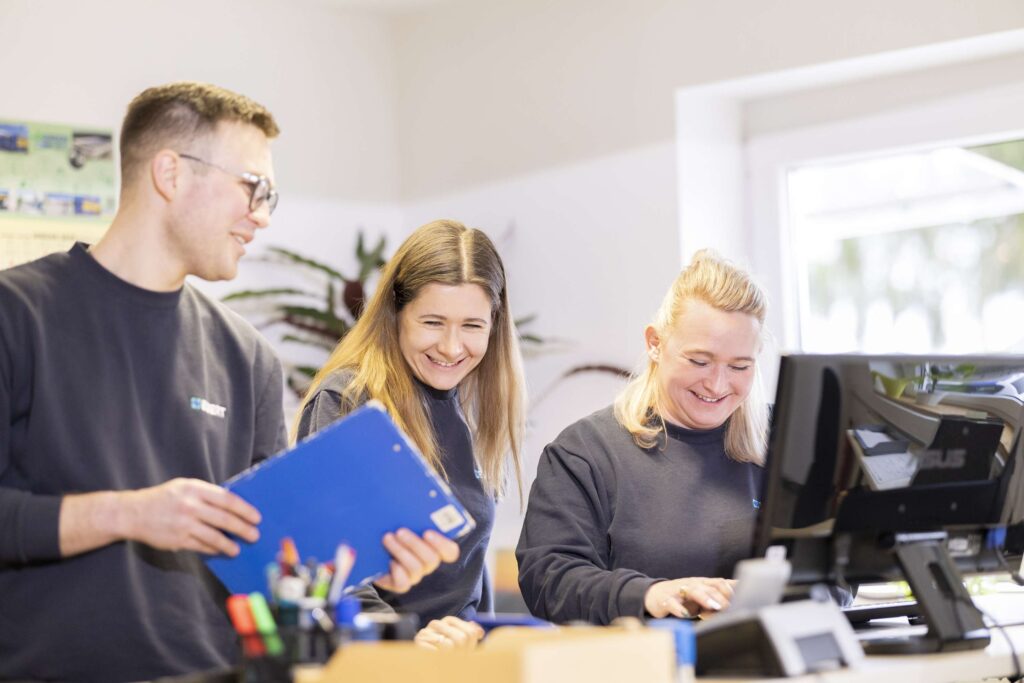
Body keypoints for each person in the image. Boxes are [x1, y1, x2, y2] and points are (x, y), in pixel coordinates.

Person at [0, 82, 456, 682]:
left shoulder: (246, 357)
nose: (262, 215)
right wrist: (125, 515)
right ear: (170, 173)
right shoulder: (17, 314)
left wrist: (363, 560)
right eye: (253, 187)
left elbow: (270, 559)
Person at [295, 219, 527, 650]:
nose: (452, 347)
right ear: (395, 314)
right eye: (433, 322)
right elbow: (329, 562)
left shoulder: (472, 406)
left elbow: (469, 574)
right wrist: (405, 641)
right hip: (385, 660)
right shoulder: (348, 400)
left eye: (472, 326)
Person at [516, 249, 769, 625]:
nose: (717, 384)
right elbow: (548, 579)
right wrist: (651, 594)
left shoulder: (780, 445)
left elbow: (835, 572)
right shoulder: (584, 453)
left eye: (739, 366)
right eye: (699, 361)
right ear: (655, 343)